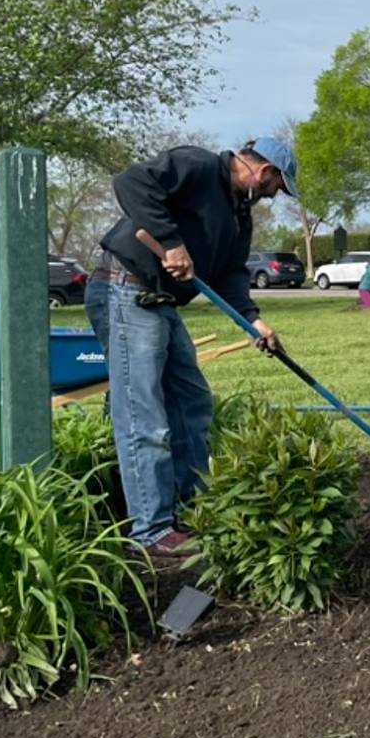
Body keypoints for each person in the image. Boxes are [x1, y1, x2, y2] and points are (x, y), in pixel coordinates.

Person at [85, 137, 297, 559]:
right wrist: (171, 241)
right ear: (265, 171)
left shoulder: (239, 214)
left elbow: (232, 273)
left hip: (161, 302)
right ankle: (151, 530)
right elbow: (130, 182)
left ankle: (191, 512)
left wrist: (252, 320)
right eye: (277, 187)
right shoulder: (198, 166)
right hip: (126, 290)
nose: (274, 196)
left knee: (192, 403)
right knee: (144, 415)